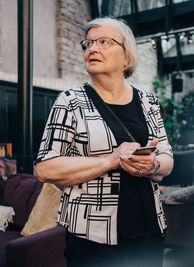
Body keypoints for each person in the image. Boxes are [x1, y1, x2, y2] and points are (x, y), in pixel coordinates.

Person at [35, 17, 174, 267]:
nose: (93, 49)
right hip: (93, 239)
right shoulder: (70, 101)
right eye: (88, 44)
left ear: (126, 57)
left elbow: (167, 159)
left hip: (150, 231)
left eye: (104, 42)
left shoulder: (148, 101)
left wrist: (152, 166)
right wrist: (111, 160)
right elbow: (45, 168)